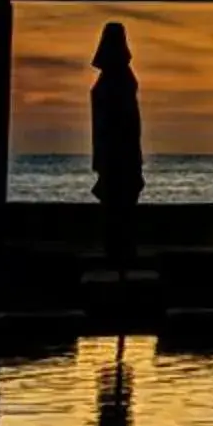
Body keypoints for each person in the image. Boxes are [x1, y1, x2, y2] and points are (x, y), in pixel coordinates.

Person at [90, 22, 145, 271]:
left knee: (118, 213)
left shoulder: (119, 79)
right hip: (117, 154)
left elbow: (126, 123)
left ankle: (120, 258)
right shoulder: (120, 78)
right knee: (118, 213)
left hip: (118, 155)